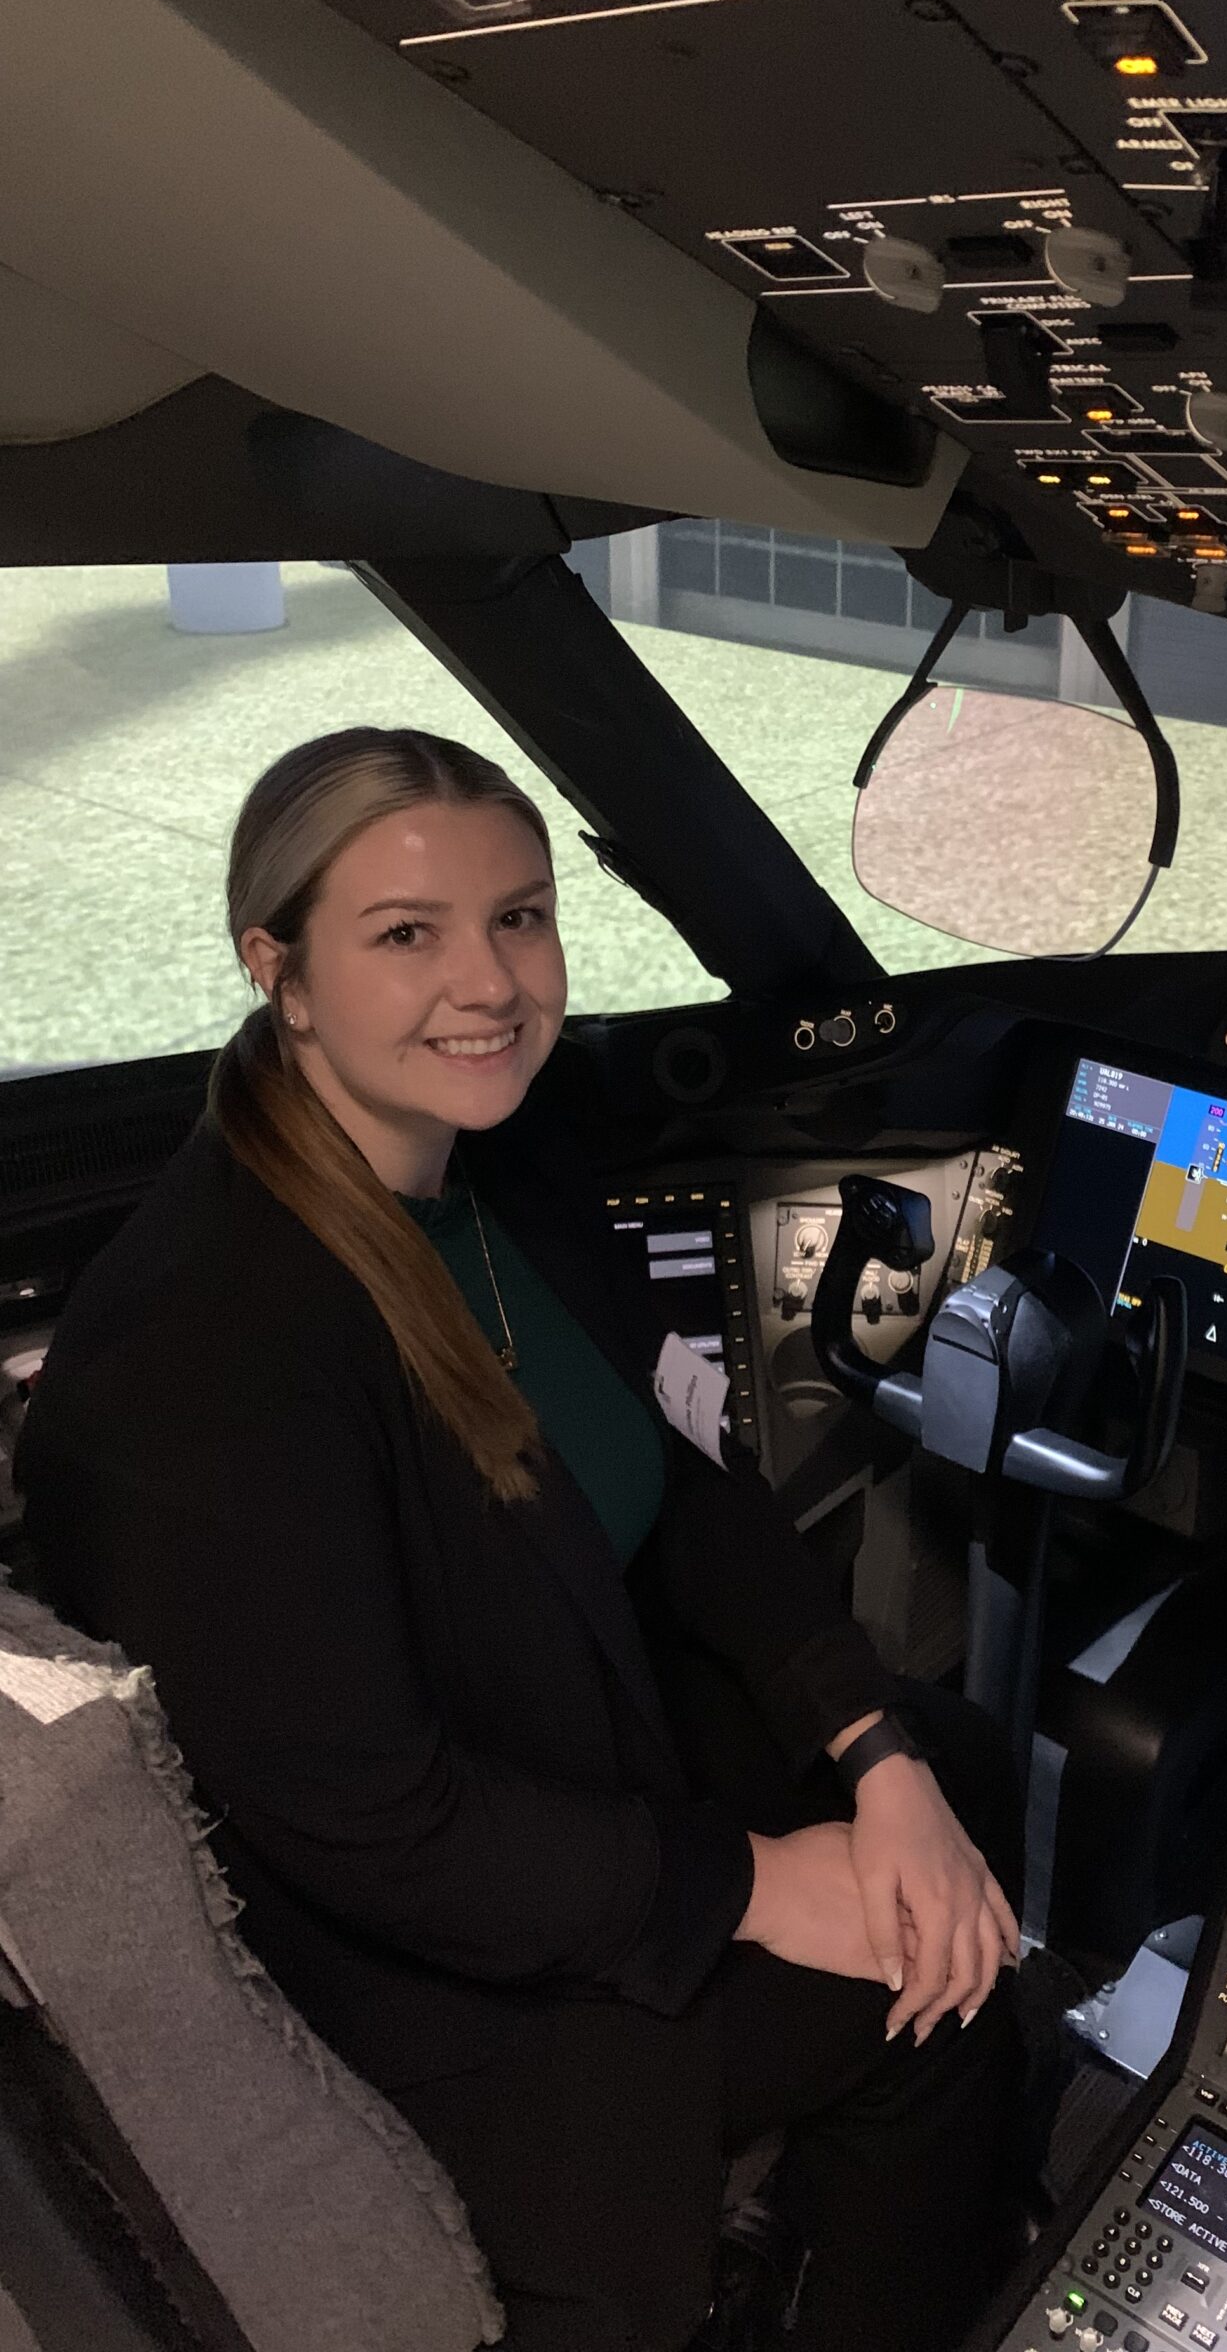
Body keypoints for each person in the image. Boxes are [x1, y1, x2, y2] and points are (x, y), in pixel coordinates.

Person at [15, 726, 1027, 2352]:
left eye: (522, 916)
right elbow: (376, 1822)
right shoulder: (208, 1347)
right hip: (423, 1972)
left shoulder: (505, 1162)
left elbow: (683, 1484)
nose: (489, 982)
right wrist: (759, 1883)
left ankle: (807, 2212)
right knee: (943, 1991)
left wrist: (873, 1754)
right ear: (278, 969)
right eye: (406, 934)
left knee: (959, 1777)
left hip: (563, 1737)